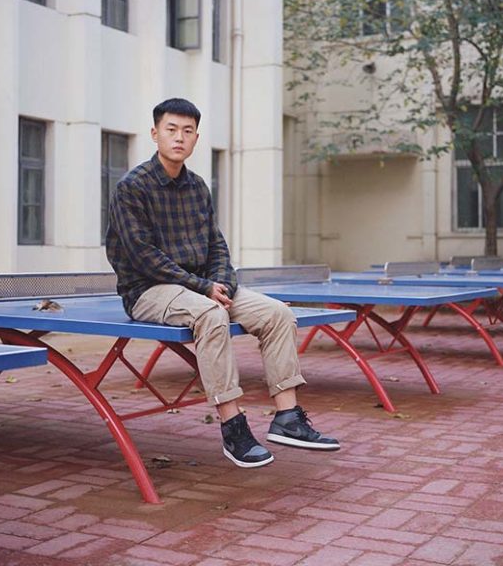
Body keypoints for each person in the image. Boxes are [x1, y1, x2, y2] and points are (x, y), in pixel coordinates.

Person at [106, 97, 339, 468]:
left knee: (278, 313)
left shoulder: (198, 186)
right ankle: (233, 428)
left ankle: (288, 418)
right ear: (155, 134)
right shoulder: (132, 187)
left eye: (187, 131)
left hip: (202, 285)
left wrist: (222, 284)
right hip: (147, 290)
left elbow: (216, 244)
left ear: (196, 138)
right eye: (171, 130)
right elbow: (142, 255)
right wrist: (203, 289)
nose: (179, 138)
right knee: (211, 316)